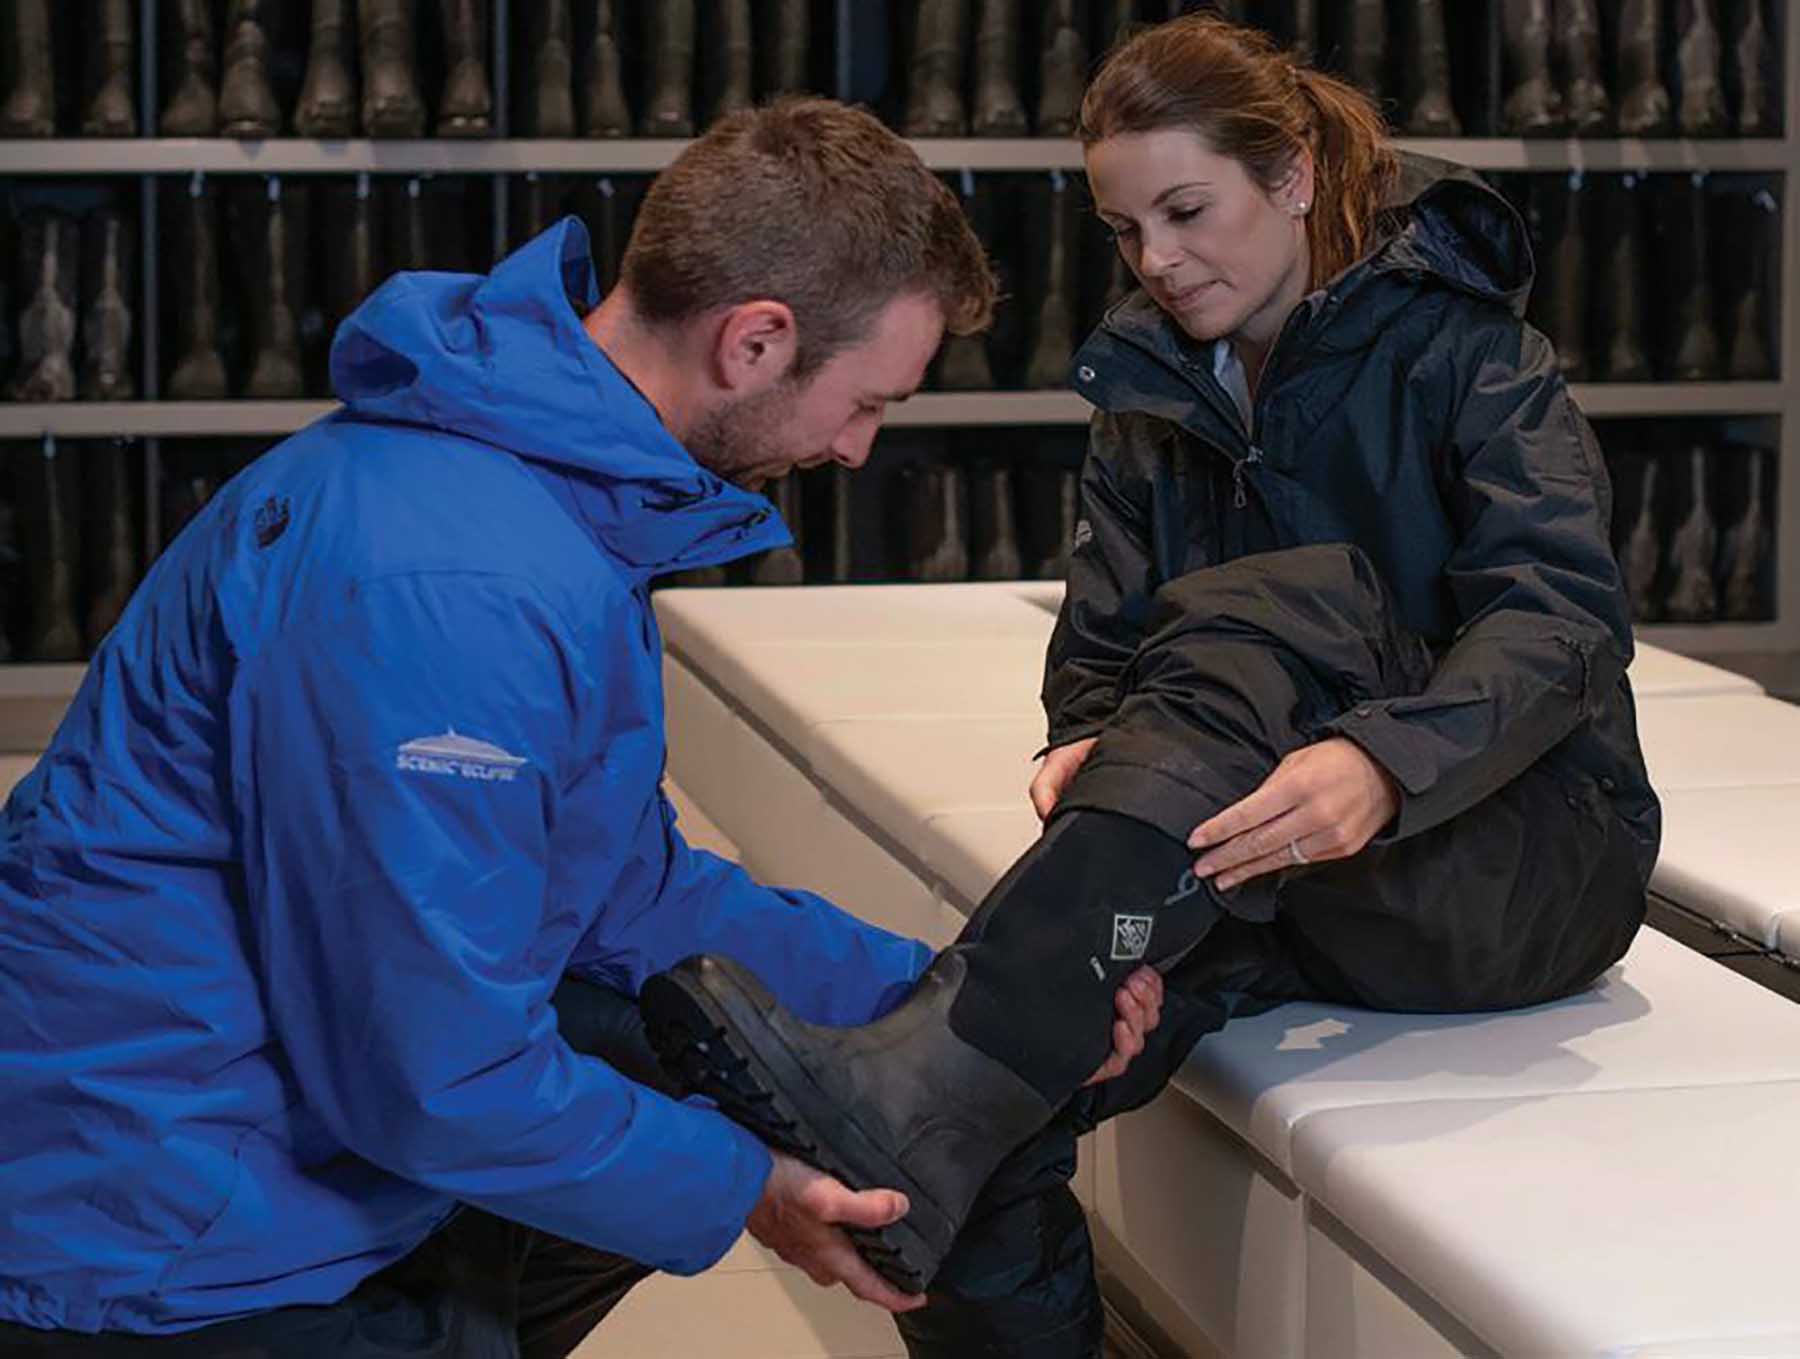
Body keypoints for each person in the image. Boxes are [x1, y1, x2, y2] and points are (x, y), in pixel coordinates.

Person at [0, 98, 1166, 1357]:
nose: (854, 451)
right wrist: (745, 1193)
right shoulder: (460, 585)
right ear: (757, 341)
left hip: (254, 1129)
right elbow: (427, 1072)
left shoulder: (545, 507)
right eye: (867, 402)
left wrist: (965, 995)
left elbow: (619, 895)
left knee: (686, 1055)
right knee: (675, 1119)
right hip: (170, 1242)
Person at [638, 15, 1660, 1359]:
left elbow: (1565, 619)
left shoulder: (1467, 355)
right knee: (998, 1097)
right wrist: (1095, 750)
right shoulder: (1148, 389)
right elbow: (1107, 652)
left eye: (1187, 211)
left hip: (1510, 862)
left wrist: (1383, 763)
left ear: (1290, 176)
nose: (1159, 262)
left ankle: (919, 1060)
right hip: (1267, 867)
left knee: (1266, 612)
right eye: (1125, 232)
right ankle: (929, 1108)